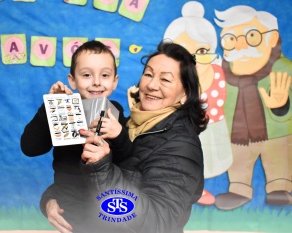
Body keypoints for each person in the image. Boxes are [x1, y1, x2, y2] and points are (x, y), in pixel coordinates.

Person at [79, 41, 208, 233]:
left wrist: (101, 169)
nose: (151, 85)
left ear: (185, 95)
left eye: (165, 79)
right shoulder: (129, 125)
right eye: (148, 74)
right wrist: (53, 199)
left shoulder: (181, 146)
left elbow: (157, 223)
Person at [20, 40, 128, 232]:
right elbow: (30, 148)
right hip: (70, 211)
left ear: (114, 81)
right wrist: (50, 107)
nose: (96, 82)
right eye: (86, 75)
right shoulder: (63, 110)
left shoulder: (116, 112)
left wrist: (119, 134)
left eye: (104, 75)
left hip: (108, 211)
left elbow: (130, 159)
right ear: (72, 80)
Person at [213, 5, 292, 210]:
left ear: (272, 39)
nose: (240, 46)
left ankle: (279, 187)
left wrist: (281, 106)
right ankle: (239, 189)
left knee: (279, 155)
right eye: (231, 39)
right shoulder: (222, 73)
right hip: (237, 134)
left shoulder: (283, 68)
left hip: (278, 132)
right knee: (237, 160)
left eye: (252, 36)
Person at [163, 0, 233, 206]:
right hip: (180, 130)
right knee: (180, 160)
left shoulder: (218, 72)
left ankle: (199, 188)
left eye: (201, 50)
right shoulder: (169, 75)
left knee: (205, 162)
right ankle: (185, 189)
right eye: (183, 52)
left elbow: (222, 98)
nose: (192, 59)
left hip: (212, 126)